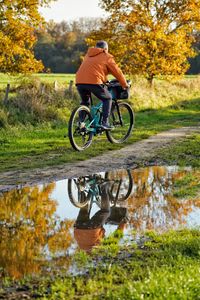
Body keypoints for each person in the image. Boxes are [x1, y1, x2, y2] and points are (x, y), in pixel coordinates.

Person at [75, 40, 129, 130]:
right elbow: (117, 72)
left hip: (79, 81)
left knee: (85, 102)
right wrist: (124, 84)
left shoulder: (88, 55)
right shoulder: (106, 56)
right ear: (105, 49)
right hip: (94, 81)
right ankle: (105, 123)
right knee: (107, 98)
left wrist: (105, 80)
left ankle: (81, 123)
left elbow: (95, 70)